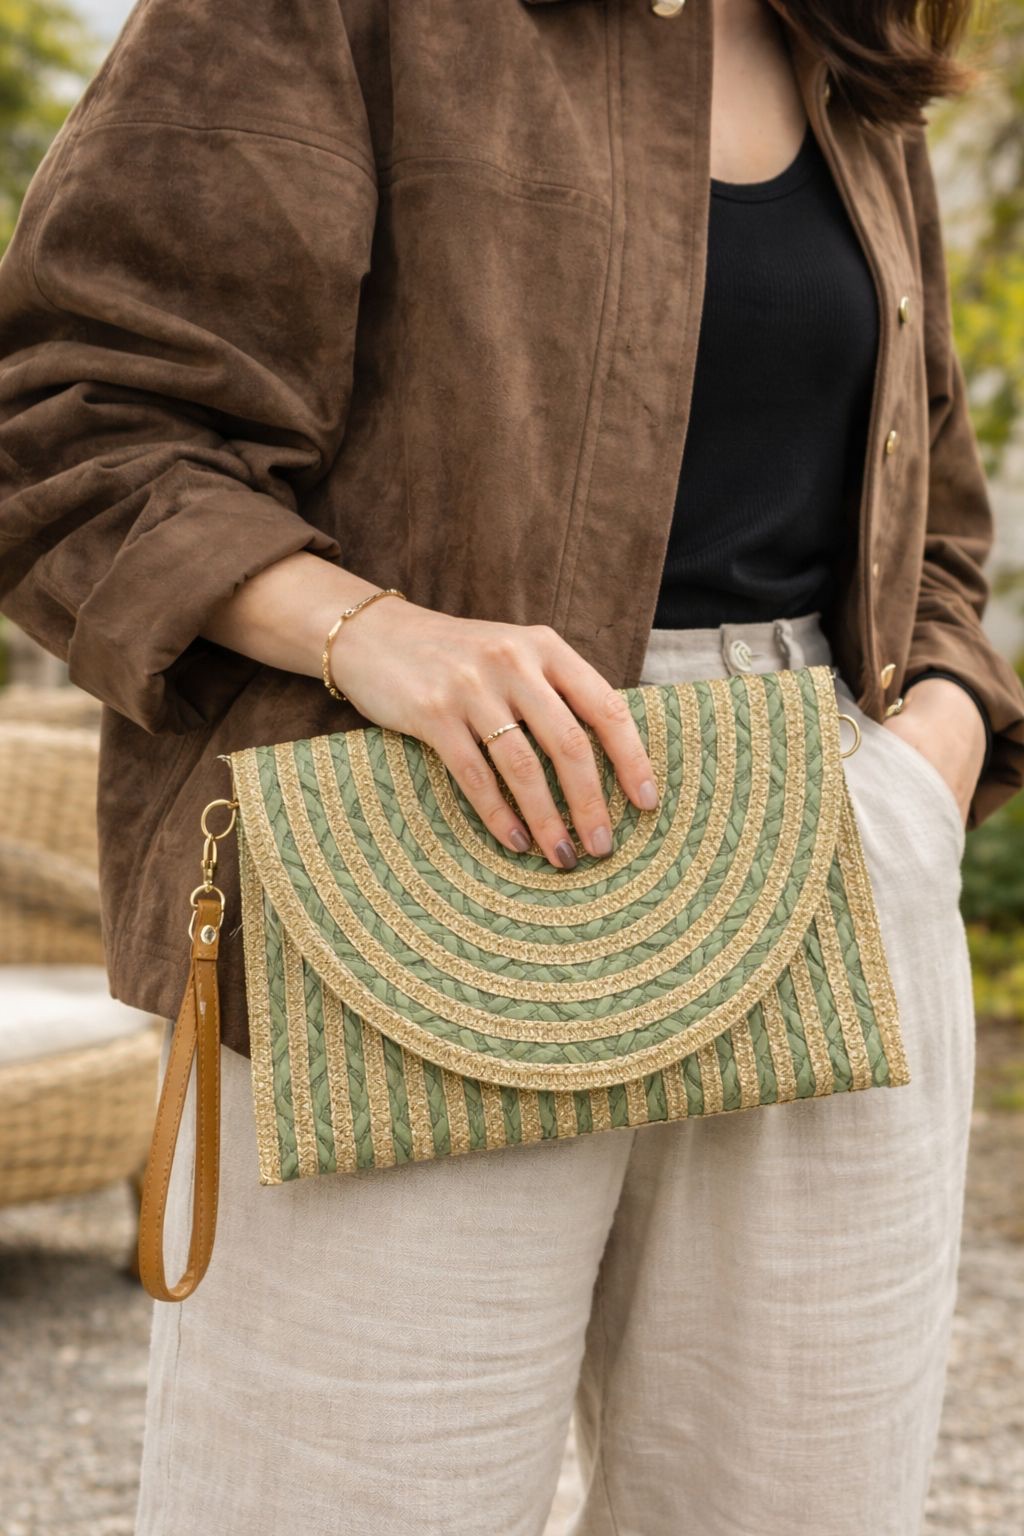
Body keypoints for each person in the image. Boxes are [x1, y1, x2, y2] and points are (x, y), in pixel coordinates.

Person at [0, 0, 1021, 1531]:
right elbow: (65, 423)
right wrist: (373, 634)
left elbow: (928, 510)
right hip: (405, 852)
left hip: (834, 850)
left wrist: (929, 752)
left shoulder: (849, 38)